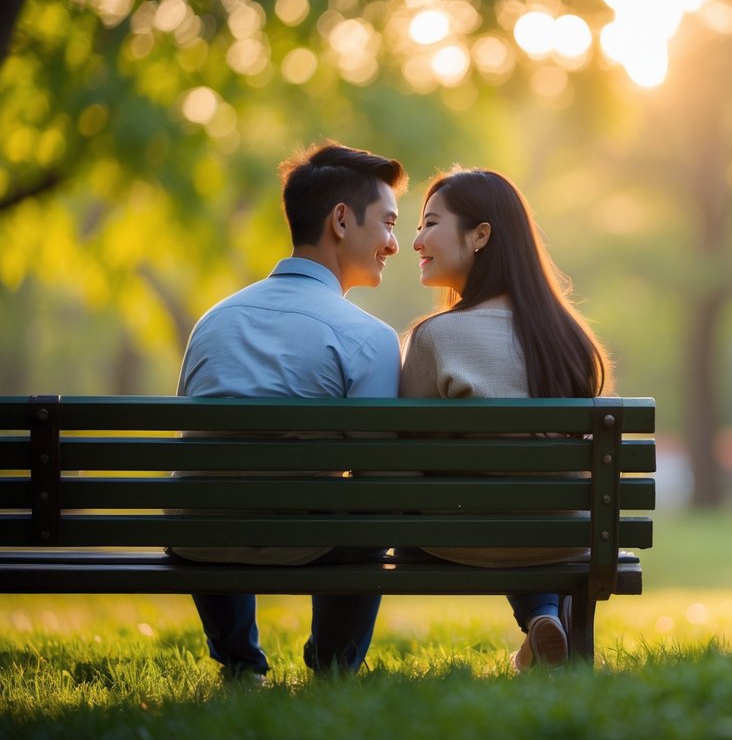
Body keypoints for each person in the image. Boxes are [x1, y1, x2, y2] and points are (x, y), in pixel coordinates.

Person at [172, 140, 406, 681]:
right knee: (372, 512)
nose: (395, 244)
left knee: (211, 496)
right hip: (306, 542)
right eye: (389, 224)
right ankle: (332, 667)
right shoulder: (366, 337)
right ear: (342, 221)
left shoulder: (213, 320)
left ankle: (240, 664)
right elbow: (378, 477)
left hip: (201, 538)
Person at [399, 167, 611, 672]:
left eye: (430, 223)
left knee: (489, 501)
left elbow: (402, 459)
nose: (416, 241)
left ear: (481, 235)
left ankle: (539, 623)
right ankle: (542, 620)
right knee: (528, 505)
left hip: (464, 539)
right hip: (564, 536)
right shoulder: (570, 338)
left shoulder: (435, 338)